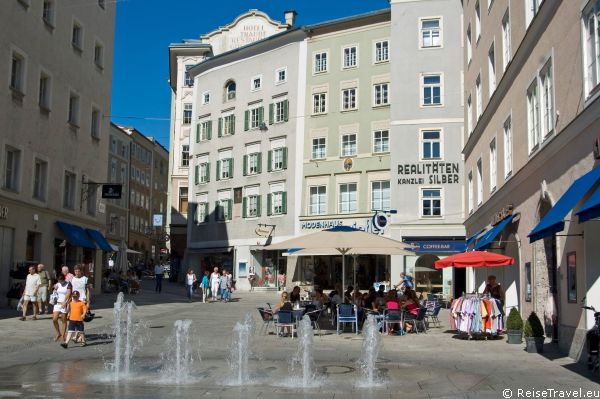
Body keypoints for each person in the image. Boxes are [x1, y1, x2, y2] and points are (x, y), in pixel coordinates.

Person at [52, 274, 72, 342]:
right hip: (57, 303)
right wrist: (55, 288)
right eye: (59, 280)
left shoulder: (68, 284)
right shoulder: (58, 284)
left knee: (64, 320)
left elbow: (68, 293)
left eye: (61, 280)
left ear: (64, 279)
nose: (60, 282)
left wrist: (65, 302)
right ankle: (58, 333)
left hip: (64, 303)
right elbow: (54, 292)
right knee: (54, 319)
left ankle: (63, 335)